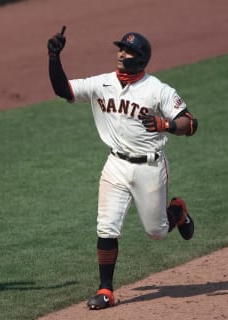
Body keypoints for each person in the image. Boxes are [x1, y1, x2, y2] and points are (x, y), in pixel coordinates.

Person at [47, 28, 198, 309]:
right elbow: (63, 90)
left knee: (156, 231)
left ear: (140, 58)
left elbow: (190, 123)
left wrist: (166, 125)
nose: (120, 54)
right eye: (120, 49)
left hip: (150, 167)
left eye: (127, 51)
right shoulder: (101, 83)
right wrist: (54, 58)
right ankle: (106, 290)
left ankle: (177, 211)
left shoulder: (158, 90)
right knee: (106, 226)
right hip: (115, 165)